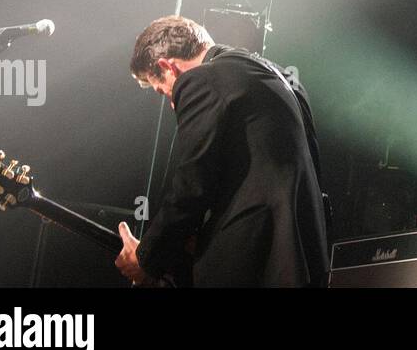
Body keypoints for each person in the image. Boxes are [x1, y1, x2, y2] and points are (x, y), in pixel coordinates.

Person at [114, 15, 329, 287]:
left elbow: (190, 188)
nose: (172, 102)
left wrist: (146, 258)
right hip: (302, 262)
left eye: (163, 91)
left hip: (248, 266)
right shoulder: (280, 77)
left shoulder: (199, 80)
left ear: (167, 66)